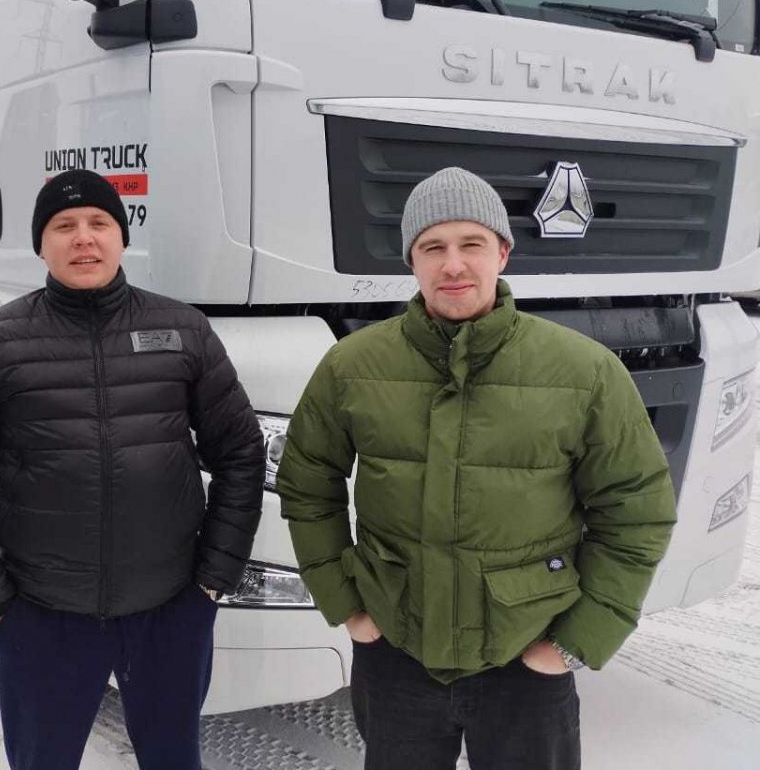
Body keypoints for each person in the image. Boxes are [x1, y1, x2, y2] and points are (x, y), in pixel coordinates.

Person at [276, 166, 676, 770]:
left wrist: (575, 642)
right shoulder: (351, 366)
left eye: (472, 244)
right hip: (395, 656)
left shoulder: (585, 372)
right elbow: (307, 485)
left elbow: (637, 512)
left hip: (527, 658)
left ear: (503, 253)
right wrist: (348, 607)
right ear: (411, 261)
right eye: (432, 247)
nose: (453, 265)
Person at [0, 169, 265, 770]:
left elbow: (240, 452)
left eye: (99, 223)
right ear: (41, 245)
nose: (84, 237)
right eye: (64, 226)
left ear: (122, 238)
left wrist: (212, 580)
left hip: (169, 612)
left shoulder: (183, 331)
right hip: (43, 618)